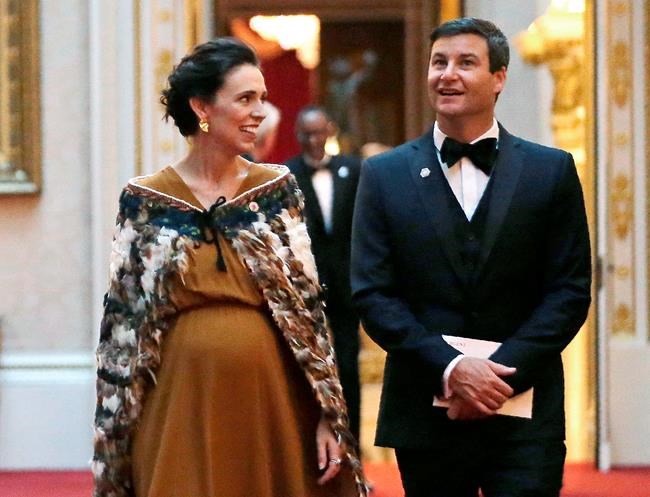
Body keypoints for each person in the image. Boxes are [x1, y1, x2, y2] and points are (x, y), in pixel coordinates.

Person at [92, 37, 366, 497]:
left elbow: (308, 315)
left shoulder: (276, 190)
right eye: (245, 99)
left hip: (271, 401)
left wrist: (328, 414)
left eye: (262, 98)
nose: (260, 112)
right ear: (202, 107)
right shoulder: (145, 200)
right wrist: (118, 437)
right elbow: (123, 329)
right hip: (177, 403)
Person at [351, 17, 591, 497]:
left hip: (525, 412)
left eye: (465, 63)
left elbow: (569, 291)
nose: (448, 74)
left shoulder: (551, 171)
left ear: (498, 77)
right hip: (425, 412)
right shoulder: (383, 175)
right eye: (439, 62)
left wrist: (497, 378)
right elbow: (373, 293)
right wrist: (453, 370)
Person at [286, 106, 362, 445]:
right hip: (307, 285)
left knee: (349, 365)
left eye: (319, 132)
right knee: (309, 365)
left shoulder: (353, 169)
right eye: (307, 134)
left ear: (330, 130)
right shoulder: (287, 175)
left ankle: (352, 443)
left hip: (346, 284)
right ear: (298, 135)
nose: (314, 140)